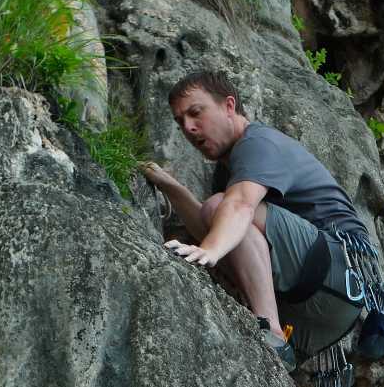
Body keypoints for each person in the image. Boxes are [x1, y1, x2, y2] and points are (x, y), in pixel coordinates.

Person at [139, 71, 368, 371]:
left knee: (222, 207)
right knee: (219, 218)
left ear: (229, 106)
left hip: (340, 270)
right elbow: (221, 229)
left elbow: (239, 206)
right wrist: (172, 188)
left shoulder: (257, 144)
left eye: (196, 113)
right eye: (180, 122)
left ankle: (271, 333)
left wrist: (209, 249)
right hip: (317, 304)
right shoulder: (230, 168)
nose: (189, 128)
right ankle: (276, 333)